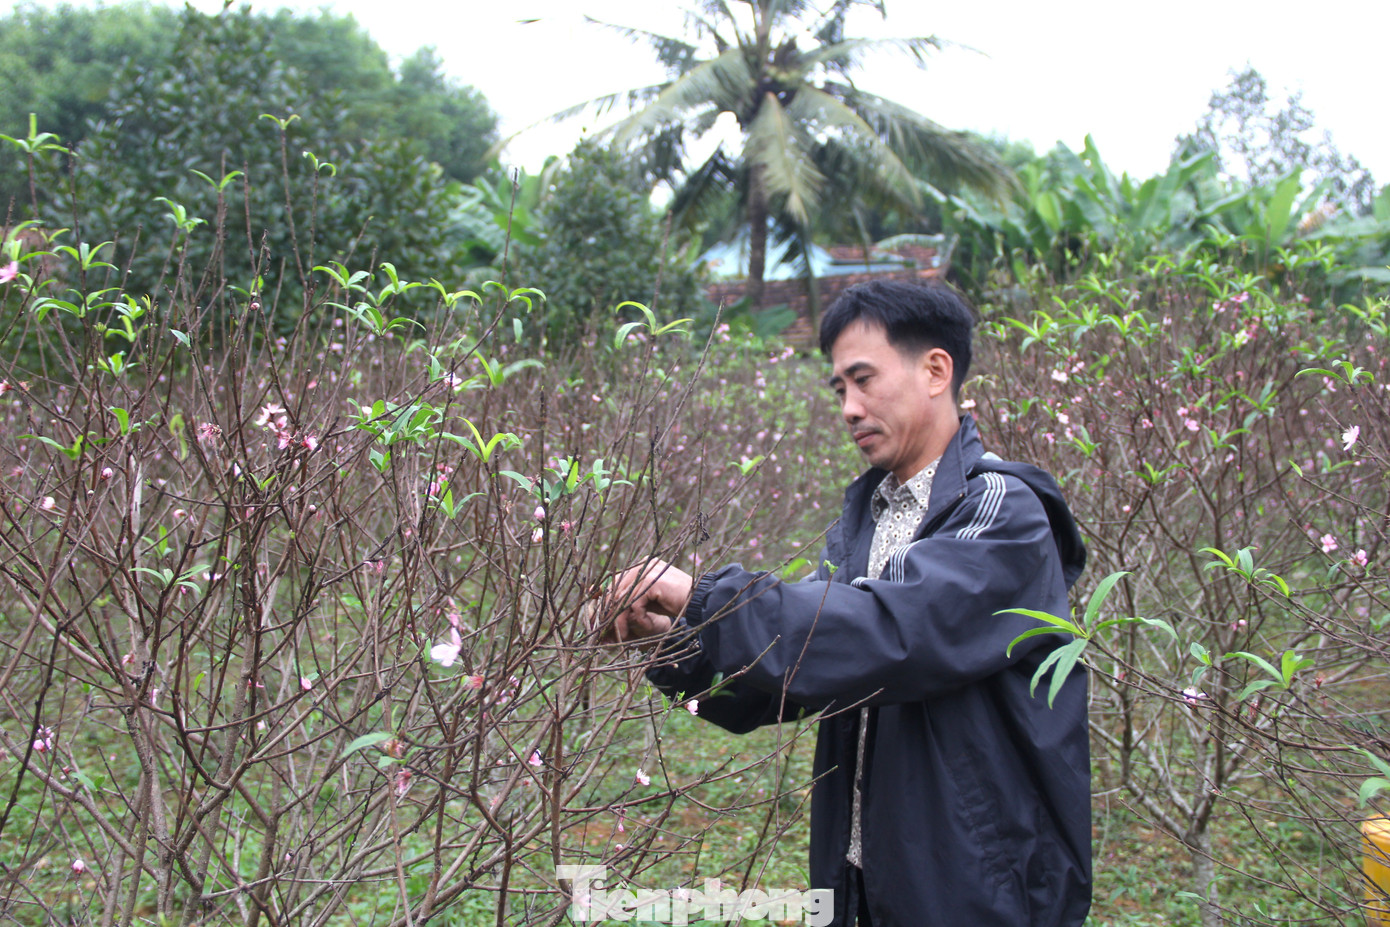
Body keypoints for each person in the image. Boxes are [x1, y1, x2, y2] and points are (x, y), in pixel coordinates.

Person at [605, 279, 1091, 926]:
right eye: (840, 389)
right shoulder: (866, 519)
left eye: (864, 380)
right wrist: (671, 641)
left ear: (936, 370)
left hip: (976, 887)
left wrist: (703, 596)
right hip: (864, 875)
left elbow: (888, 632)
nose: (850, 408)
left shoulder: (1003, 512)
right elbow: (805, 670)